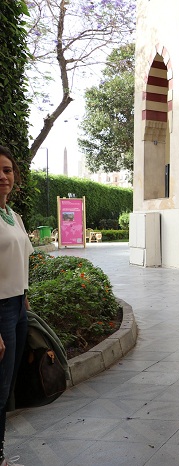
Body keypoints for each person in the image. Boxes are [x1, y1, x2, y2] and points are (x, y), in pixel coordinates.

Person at [0, 146, 31, 466]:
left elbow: (23, 260)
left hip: (18, 306)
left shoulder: (14, 216)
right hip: (0, 312)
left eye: (7, 170)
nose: (2, 176)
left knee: (6, 385)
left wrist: (25, 300)